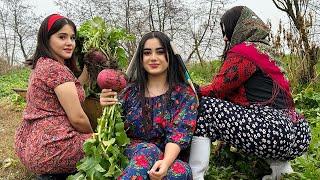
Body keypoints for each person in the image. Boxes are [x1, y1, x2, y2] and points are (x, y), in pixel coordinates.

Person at [188, 6, 311, 180]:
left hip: (273, 131)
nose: (225, 38)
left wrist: (193, 90)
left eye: (227, 31)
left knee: (204, 107)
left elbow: (217, 90)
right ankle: (281, 172)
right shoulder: (266, 50)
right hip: (298, 133)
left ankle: (195, 175)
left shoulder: (244, 52)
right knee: (261, 117)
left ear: (238, 28)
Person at [100, 31, 198, 179]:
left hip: (167, 156)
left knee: (180, 172)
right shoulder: (129, 91)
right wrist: (106, 105)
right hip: (130, 153)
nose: (153, 58)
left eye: (160, 52)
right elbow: (112, 129)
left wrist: (165, 163)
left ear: (170, 56)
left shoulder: (184, 95)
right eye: (147, 53)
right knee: (148, 150)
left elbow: (178, 135)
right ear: (141, 58)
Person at [15, 14, 93, 179]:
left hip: (30, 144)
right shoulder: (56, 69)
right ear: (46, 38)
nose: (69, 43)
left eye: (72, 38)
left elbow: (73, 86)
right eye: (62, 37)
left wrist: (87, 69)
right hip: (51, 147)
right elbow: (78, 118)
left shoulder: (43, 64)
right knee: (106, 146)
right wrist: (94, 137)